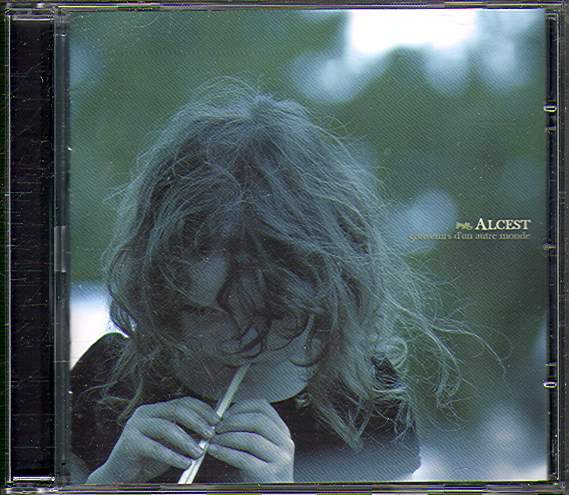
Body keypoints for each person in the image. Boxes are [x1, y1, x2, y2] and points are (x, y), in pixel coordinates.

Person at [70, 80, 460, 484]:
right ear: (161, 290)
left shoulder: (367, 400)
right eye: (203, 312)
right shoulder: (108, 380)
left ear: (323, 295)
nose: (232, 342)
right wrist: (110, 481)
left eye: (263, 316)